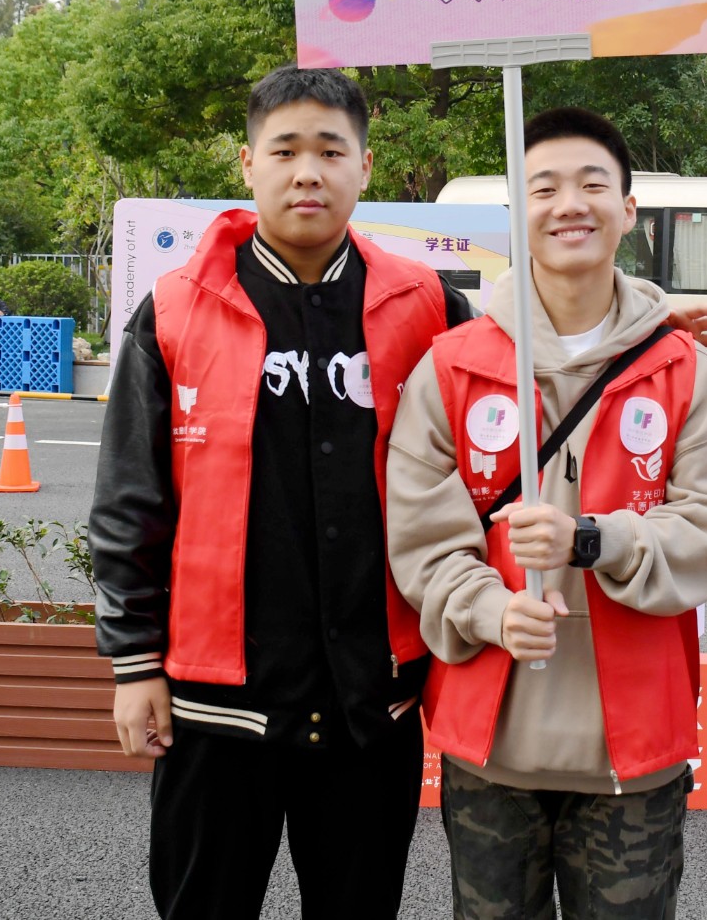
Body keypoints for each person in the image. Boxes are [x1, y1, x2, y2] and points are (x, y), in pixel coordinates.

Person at [89, 64, 476, 920]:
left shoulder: (429, 308)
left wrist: (643, 333)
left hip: (370, 703)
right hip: (214, 708)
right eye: (286, 150)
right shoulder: (175, 310)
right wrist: (133, 662)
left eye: (331, 151)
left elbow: (514, 419)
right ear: (247, 163)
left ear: (365, 166)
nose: (309, 172)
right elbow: (128, 500)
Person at [387, 107, 707, 920]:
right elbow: (420, 538)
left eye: (593, 184)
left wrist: (597, 538)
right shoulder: (451, 367)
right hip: (490, 745)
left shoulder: (684, 370)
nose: (569, 204)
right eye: (544, 187)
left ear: (628, 209)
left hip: (634, 752)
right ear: (517, 211)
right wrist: (489, 608)